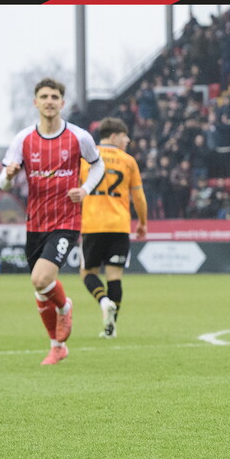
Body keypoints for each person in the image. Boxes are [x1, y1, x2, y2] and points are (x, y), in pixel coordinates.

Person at [0, 78, 105, 365]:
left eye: (54, 96)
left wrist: (85, 190)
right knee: (41, 289)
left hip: (66, 220)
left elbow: (98, 165)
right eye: (44, 96)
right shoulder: (23, 139)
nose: (49, 101)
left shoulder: (78, 137)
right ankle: (57, 346)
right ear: (35, 102)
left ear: (62, 102)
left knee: (40, 279)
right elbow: (4, 183)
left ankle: (65, 305)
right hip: (35, 222)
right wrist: (8, 175)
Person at [79, 116, 149, 339]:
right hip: (119, 225)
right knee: (115, 276)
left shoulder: (85, 160)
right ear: (113, 136)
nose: (127, 140)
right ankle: (111, 327)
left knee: (87, 273)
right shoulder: (128, 161)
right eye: (125, 136)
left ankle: (103, 301)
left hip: (92, 224)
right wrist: (143, 223)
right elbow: (138, 197)